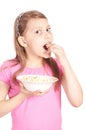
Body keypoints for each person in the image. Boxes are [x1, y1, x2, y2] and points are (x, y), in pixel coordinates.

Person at [0, 10, 83, 130]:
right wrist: (23, 95)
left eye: (48, 29)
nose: (47, 35)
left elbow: (77, 101)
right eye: (38, 32)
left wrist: (64, 60)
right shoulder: (9, 68)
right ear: (23, 41)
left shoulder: (57, 65)